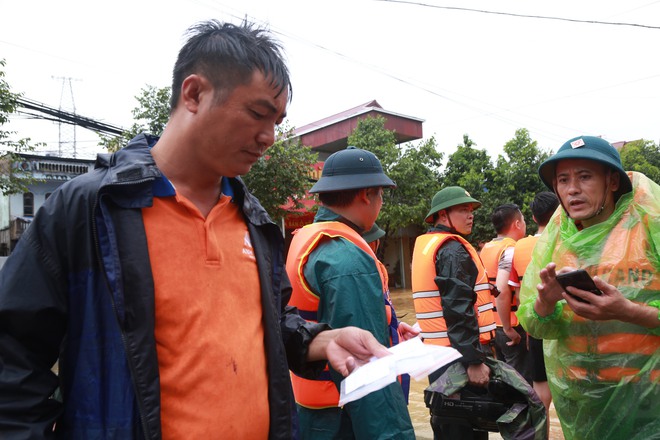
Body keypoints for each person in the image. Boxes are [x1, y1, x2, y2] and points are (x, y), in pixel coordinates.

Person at [0, 20, 393, 439]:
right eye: (258, 113)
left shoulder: (254, 220)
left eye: (277, 121)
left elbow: (268, 324)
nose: (268, 137)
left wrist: (320, 339)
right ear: (194, 93)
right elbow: (12, 357)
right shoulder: (92, 210)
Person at [517, 135, 660, 439]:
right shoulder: (555, 239)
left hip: (649, 403)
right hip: (582, 407)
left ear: (611, 182)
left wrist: (630, 312)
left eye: (584, 177)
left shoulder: (649, 226)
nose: (572, 189)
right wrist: (545, 304)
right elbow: (531, 321)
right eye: (563, 179)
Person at [285, 146, 417, 439]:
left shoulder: (306, 238)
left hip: (311, 409)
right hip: (344, 417)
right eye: (381, 195)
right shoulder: (346, 257)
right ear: (365, 195)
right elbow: (367, 372)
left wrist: (391, 331)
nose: (381, 203)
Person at [411, 186, 496, 440]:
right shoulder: (452, 250)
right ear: (443, 215)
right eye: (463, 210)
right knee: (464, 429)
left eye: (471, 210)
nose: (470, 215)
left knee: (447, 424)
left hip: (438, 355)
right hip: (456, 357)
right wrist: (474, 361)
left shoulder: (429, 245)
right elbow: (458, 311)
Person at [507, 192, 559, 422]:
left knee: (540, 388)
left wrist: (528, 327)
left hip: (538, 323)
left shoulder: (520, 247)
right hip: (572, 324)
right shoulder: (570, 239)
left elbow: (520, 294)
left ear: (534, 217)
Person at [480, 204, 530, 383]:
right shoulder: (511, 249)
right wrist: (509, 329)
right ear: (517, 224)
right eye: (523, 220)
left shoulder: (486, 249)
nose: (525, 224)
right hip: (509, 326)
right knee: (521, 385)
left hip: (490, 326)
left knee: (503, 382)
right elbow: (501, 291)